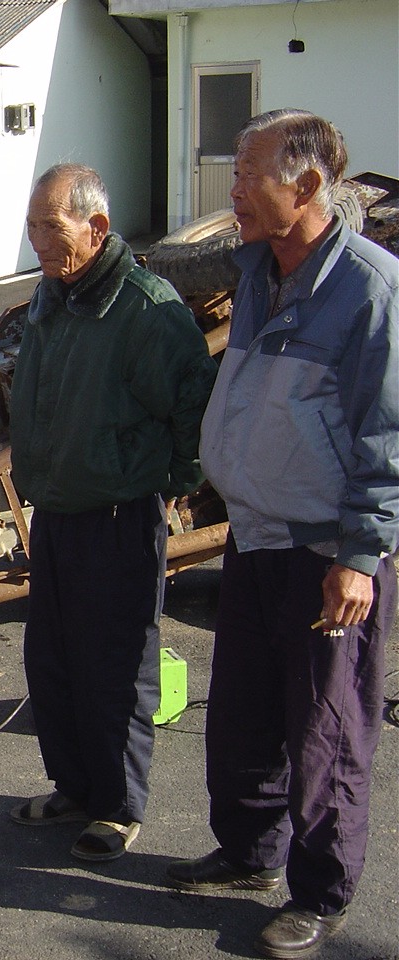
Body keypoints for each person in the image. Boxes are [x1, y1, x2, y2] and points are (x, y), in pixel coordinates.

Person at [167, 110, 399, 959]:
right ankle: (247, 852)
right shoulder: (260, 269)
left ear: (305, 188)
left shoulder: (370, 289)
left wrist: (359, 558)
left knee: (327, 730)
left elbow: (387, 436)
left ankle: (321, 891)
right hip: (257, 535)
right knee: (244, 713)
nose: (230, 191)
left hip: (324, 552)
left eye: (246, 174)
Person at [7, 163, 215, 862]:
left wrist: (179, 480)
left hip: (120, 517)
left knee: (117, 670)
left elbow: (193, 400)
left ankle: (120, 807)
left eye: (50, 226)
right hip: (60, 513)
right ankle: (75, 787)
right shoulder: (52, 295)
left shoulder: (144, 307)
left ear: (95, 228)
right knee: (54, 663)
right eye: (32, 224)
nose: (36, 238)